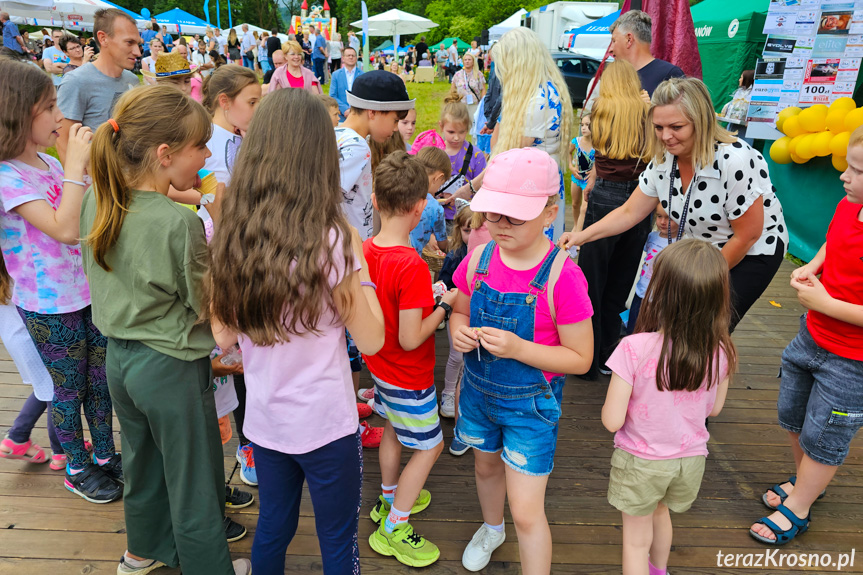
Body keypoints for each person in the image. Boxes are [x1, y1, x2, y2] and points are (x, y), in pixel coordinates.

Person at [79, 84, 251, 575]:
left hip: (120, 361)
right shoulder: (179, 224)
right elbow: (206, 305)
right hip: (170, 368)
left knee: (142, 464)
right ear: (164, 153)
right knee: (195, 478)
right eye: (199, 147)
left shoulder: (99, 200)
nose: (204, 155)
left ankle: (141, 552)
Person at [449, 147, 593, 573]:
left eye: (515, 216)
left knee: (528, 512)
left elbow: (582, 358)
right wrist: (458, 327)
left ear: (550, 214)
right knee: (486, 466)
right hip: (478, 394)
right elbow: (461, 303)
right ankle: (492, 527)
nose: (499, 225)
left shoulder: (562, 276)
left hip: (531, 408)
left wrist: (518, 348)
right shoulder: (479, 259)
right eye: (493, 214)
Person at [560, 77, 788, 332]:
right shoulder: (663, 160)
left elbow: (748, 235)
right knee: (672, 325)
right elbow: (629, 212)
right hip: (699, 250)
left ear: (701, 121)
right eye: (658, 127)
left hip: (750, 252)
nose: (666, 136)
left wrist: (699, 281)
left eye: (676, 126)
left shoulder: (735, 160)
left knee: (706, 330)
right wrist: (581, 236)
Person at [0, 59, 123, 504]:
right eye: (49, 107)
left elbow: (86, 207)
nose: (59, 116)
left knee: (100, 382)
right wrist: (74, 165)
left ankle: (106, 454)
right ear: (17, 114)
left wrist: (85, 167)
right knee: (67, 390)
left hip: (86, 291)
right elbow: (64, 228)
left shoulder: (47, 164)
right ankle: (75, 464)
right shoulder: (7, 176)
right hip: (49, 306)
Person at [749, 126, 863, 546]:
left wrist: (828, 305)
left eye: (857, 170)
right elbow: (834, 244)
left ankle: (799, 506)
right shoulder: (851, 205)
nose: (843, 177)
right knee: (794, 415)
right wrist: (813, 266)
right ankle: (806, 483)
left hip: (853, 360)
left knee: (825, 436)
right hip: (812, 337)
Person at [602, 239, 734, 575]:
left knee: (634, 539)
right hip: (688, 461)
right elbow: (714, 409)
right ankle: (659, 571)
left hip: (643, 461)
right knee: (661, 514)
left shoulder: (634, 348)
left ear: (660, 293)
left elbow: (612, 420)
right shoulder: (721, 351)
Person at [363, 151, 456, 567]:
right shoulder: (413, 265)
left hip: (381, 370)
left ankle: (387, 499)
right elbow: (411, 334)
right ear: (421, 208)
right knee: (430, 447)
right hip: (409, 376)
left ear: (374, 198)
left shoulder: (366, 248)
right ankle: (394, 527)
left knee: (393, 429)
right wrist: (445, 306)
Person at [558, 60, 649, 380]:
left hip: (606, 196)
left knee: (591, 280)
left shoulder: (601, 111)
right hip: (641, 198)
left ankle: (587, 358)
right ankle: (610, 354)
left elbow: (595, 149)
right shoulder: (645, 111)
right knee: (621, 280)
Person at [338, 71, 413, 447]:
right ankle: (350, 424)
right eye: (395, 118)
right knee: (352, 348)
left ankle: (350, 410)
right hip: (344, 260)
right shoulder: (356, 148)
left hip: (343, 252)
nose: (397, 126)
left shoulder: (337, 136)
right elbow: (323, 195)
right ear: (373, 112)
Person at [467, 27, 572, 243]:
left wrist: (471, 188)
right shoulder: (542, 93)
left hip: (529, 188)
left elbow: (505, 155)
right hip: (533, 184)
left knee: (529, 254)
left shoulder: (537, 101)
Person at [56, 9, 140, 165]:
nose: (137, 52)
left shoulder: (133, 80)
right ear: (103, 39)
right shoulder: (76, 81)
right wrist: (81, 185)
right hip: (97, 182)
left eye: (138, 44)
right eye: (129, 42)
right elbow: (63, 141)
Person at [584, 10, 685, 113]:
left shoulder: (669, 75)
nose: (610, 49)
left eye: (614, 41)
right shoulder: (614, 77)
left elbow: (680, 118)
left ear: (629, 40)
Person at [437, 204, 473, 438]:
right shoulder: (455, 255)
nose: (471, 235)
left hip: (479, 315)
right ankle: (449, 391)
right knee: (456, 355)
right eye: (467, 230)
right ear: (458, 230)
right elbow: (443, 283)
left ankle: (466, 395)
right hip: (458, 312)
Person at [437, 97, 486, 233]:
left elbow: (482, 186)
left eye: (462, 132)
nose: (457, 137)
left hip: (465, 220)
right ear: (441, 126)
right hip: (437, 217)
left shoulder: (476, 156)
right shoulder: (435, 152)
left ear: (468, 129)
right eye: (451, 132)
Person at [626, 204, 677, 334]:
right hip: (641, 293)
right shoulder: (652, 237)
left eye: (669, 218)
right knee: (633, 331)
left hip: (663, 300)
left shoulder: (681, 243)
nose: (662, 222)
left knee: (657, 335)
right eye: (659, 216)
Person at [409, 147, 449, 255]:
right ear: (438, 178)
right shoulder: (435, 206)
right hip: (413, 259)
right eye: (441, 184)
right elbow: (442, 243)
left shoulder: (401, 190)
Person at [568, 112, 594, 233]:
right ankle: (575, 224)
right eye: (582, 125)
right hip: (576, 177)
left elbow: (601, 160)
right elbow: (567, 153)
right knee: (575, 204)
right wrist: (571, 167)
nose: (583, 128)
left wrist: (595, 171)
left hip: (588, 180)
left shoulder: (598, 144)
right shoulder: (576, 141)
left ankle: (578, 234)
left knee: (584, 208)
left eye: (587, 125)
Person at [451, 52, 486, 126]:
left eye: (469, 60)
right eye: (465, 60)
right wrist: (453, 101)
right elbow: (453, 89)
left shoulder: (479, 74)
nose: (467, 61)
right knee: (460, 125)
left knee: (474, 125)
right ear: (463, 62)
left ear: (473, 61)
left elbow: (483, 89)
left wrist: (483, 103)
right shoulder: (458, 74)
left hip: (474, 104)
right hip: (461, 104)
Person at [329, 46, 363, 121]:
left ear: (356, 58)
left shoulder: (363, 75)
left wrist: (354, 110)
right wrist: (345, 109)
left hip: (359, 116)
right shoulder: (336, 75)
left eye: (353, 55)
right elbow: (332, 95)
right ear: (343, 58)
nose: (351, 57)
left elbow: (365, 95)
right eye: (348, 55)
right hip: (341, 116)